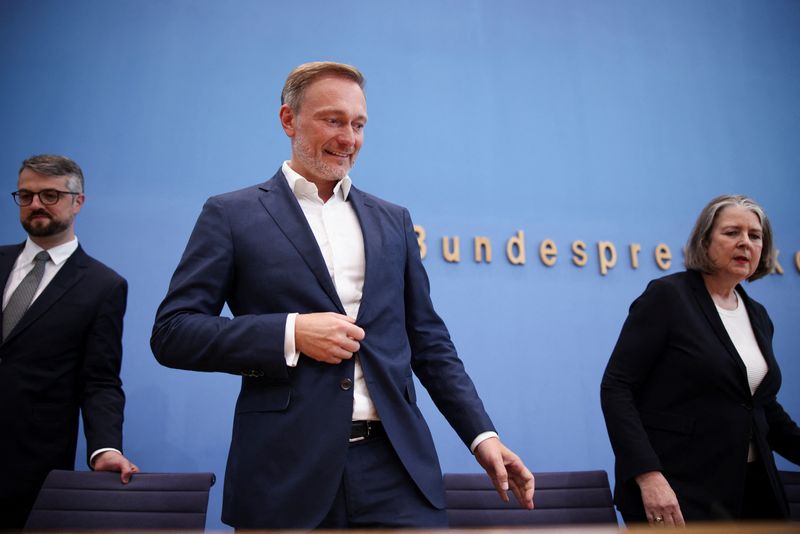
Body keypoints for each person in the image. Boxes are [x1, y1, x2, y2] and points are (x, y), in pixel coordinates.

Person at [151, 61, 534, 529]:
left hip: (397, 472)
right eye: (333, 120)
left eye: (358, 125)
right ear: (288, 120)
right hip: (285, 474)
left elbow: (429, 342)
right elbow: (173, 332)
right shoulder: (231, 214)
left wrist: (482, 435)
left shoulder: (392, 220)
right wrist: (290, 332)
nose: (349, 139)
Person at [601, 194, 800, 526]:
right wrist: (648, 475)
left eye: (755, 235)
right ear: (705, 241)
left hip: (753, 489)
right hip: (680, 488)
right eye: (732, 232)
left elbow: (761, 406)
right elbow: (617, 388)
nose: (745, 243)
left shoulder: (759, 316)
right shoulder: (668, 297)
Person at [0, 155, 138, 530]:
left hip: (28, 467)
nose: (36, 205)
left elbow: (100, 380)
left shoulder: (102, 285)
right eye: (25, 196)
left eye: (49, 195)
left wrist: (105, 448)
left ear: (78, 201)